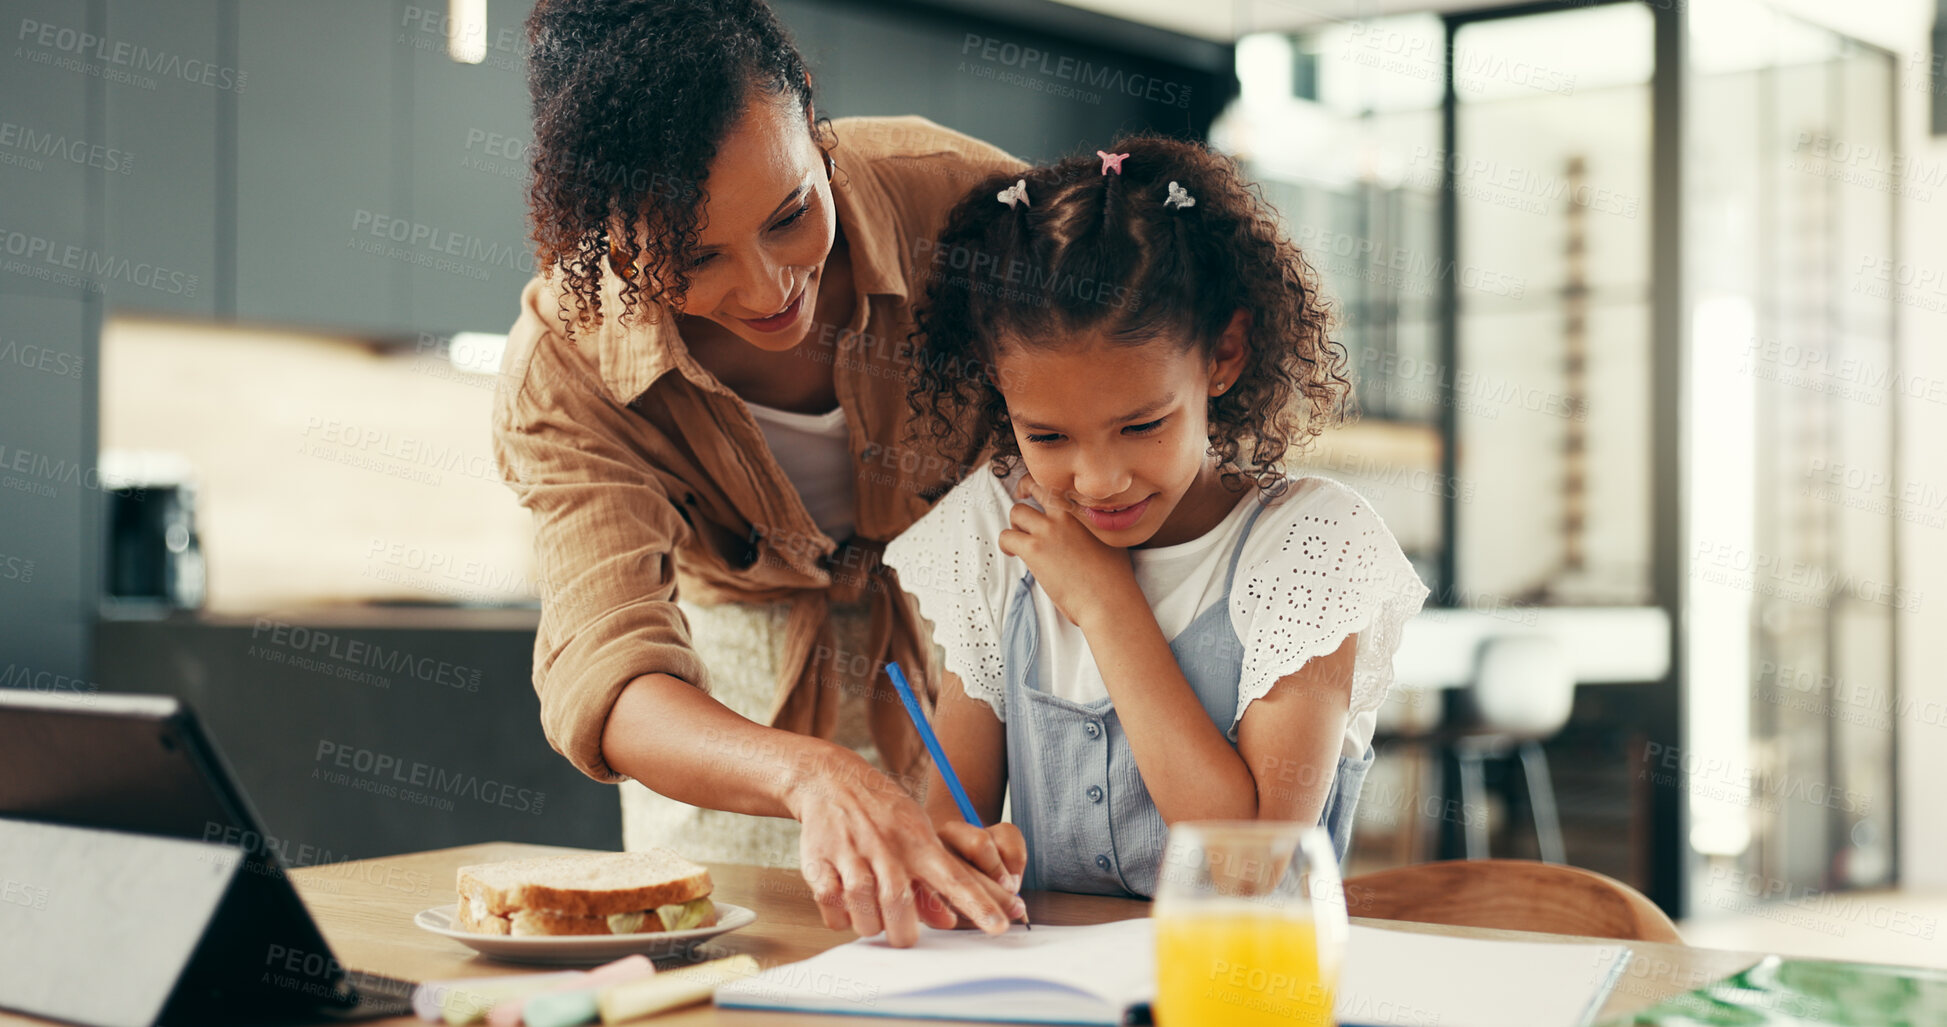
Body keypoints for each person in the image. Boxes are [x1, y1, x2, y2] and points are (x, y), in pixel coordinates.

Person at [491, 0, 1028, 946]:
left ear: (812, 126)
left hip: (985, 656)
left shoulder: (961, 203)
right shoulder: (565, 365)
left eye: (790, 216)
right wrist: (805, 771)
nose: (768, 286)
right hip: (730, 706)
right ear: (610, 240)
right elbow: (608, 673)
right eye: (694, 258)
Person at [884, 136, 1433, 899]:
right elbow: (951, 822)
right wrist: (951, 858)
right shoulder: (995, 522)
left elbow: (1247, 865)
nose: (1099, 480)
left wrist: (1108, 605)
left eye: (1141, 426)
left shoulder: (1310, 544)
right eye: (1045, 435)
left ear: (1225, 353)